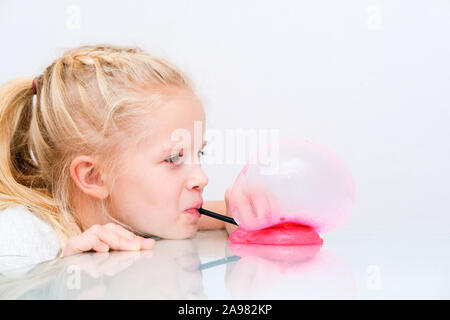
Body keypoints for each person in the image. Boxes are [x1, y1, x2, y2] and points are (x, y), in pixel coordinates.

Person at [0, 44, 236, 264]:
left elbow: (208, 213)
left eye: (200, 153)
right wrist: (60, 279)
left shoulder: (132, 215)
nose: (202, 179)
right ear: (93, 176)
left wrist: (241, 212)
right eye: (174, 158)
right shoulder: (17, 237)